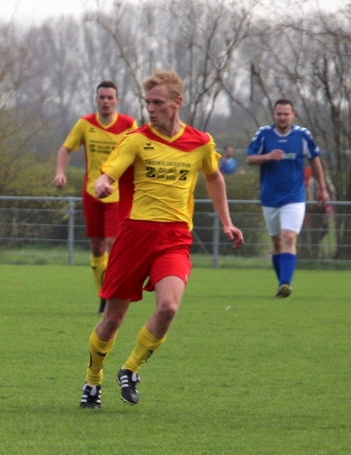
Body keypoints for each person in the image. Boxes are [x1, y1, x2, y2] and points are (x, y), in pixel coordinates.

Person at [78, 70, 243, 409]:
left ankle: (130, 368)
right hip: (135, 235)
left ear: (177, 103)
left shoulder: (200, 142)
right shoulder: (136, 139)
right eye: (148, 103)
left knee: (168, 308)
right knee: (112, 320)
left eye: (157, 103)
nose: (150, 109)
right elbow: (110, 171)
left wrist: (227, 221)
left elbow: (214, 178)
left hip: (175, 237)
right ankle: (92, 380)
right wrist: (102, 183)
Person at [54, 81, 138, 314]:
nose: (106, 101)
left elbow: (139, 153)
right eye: (102, 97)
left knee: (113, 243)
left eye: (110, 97)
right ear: (96, 99)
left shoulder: (129, 124)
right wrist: (60, 173)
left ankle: (113, 293)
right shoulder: (85, 124)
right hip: (91, 193)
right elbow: (65, 149)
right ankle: (103, 295)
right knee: (97, 247)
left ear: (117, 100)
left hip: (117, 194)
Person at [246, 99, 327, 298]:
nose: (282, 117)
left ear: (293, 115)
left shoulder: (303, 135)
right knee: (276, 242)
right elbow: (249, 158)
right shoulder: (263, 134)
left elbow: (315, 161)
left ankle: (285, 283)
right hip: (270, 197)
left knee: (289, 237)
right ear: (274, 115)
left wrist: (322, 188)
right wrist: (266, 156)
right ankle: (281, 283)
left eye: (286, 114)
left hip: (294, 197)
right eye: (279, 114)